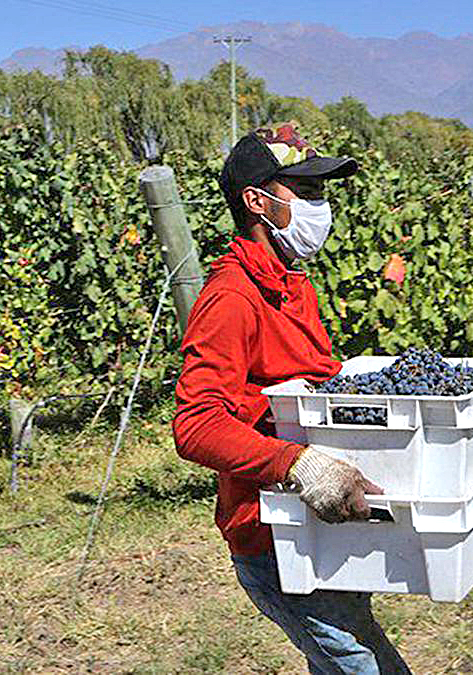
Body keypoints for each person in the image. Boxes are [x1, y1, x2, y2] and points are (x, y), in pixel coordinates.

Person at [173, 122, 412, 674]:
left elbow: (306, 378)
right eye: (303, 192)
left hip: (315, 525)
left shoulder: (288, 282)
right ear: (257, 201)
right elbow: (196, 424)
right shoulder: (231, 298)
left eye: (320, 192)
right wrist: (298, 464)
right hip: (271, 533)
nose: (318, 205)